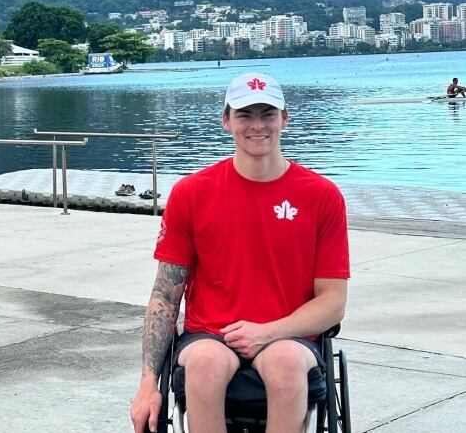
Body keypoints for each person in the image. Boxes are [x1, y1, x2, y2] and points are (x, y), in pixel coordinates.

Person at [130, 73, 350, 433]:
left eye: (268, 114)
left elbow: (332, 302)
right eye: (245, 115)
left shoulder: (321, 196)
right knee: (203, 363)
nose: (257, 125)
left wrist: (267, 332)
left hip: (289, 335)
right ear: (227, 121)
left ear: (285, 119)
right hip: (209, 333)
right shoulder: (192, 193)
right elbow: (165, 295)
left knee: (284, 362)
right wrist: (148, 384)